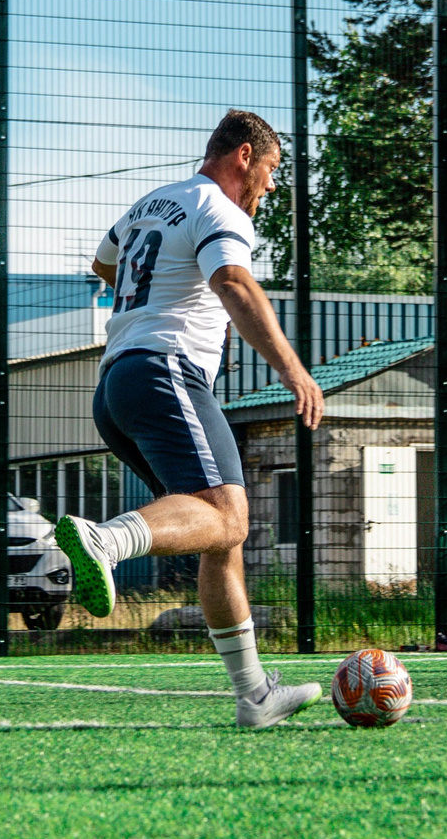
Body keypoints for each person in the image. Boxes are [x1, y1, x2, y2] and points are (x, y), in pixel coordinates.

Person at [52, 110, 328, 728]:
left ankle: (254, 693)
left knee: (214, 529)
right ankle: (107, 540)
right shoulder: (220, 210)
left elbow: (106, 264)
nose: (271, 187)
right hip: (165, 372)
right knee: (230, 514)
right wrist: (291, 368)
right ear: (243, 159)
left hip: (118, 383)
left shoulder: (153, 203)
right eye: (272, 171)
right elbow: (233, 280)